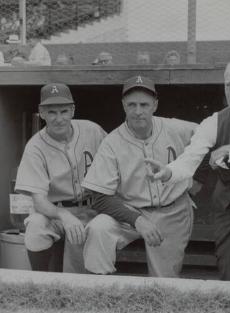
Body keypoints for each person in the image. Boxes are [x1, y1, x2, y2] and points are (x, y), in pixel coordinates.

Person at [147, 61, 230, 283]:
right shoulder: (214, 121)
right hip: (228, 203)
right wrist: (169, 171)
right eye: (227, 85)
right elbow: (191, 158)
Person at [82, 75, 197, 277]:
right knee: (98, 229)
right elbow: (99, 197)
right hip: (130, 211)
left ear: (155, 105)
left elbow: (210, 140)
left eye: (144, 105)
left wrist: (199, 179)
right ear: (123, 106)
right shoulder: (112, 142)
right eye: (132, 105)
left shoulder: (176, 128)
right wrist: (137, 220)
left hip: (173, 210)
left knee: (163, 284)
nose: (138, 111)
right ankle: (99, 292)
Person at [15, 83, 106, 273]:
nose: (58, 118)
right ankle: (40, 283)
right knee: (36, 226)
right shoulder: (35, 147)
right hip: (55, 212)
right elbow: (39, 202)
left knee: (79, 273)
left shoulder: (92, 130)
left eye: (64, 111)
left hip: (93, 208)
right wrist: (65, 216)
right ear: (41, 112)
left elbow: (116, 164)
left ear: (72, 110)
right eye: (52, 112)